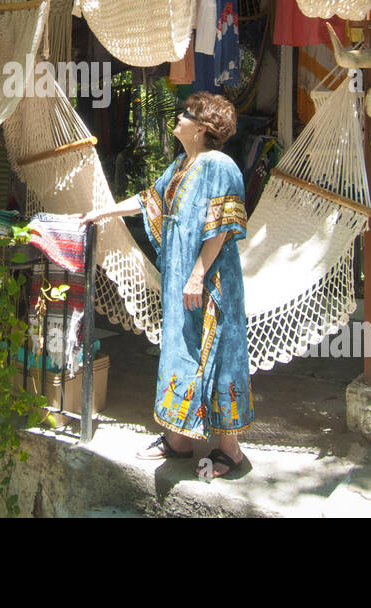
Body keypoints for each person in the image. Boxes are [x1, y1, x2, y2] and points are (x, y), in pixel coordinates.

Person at [79, 91, 253, 479]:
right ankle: (179, 440)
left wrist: (197, 275)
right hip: (180, 282)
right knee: (181, 349)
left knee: (217, 352)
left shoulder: (219, 166)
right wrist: (99, 212)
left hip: (211, 283)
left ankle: (230, 450)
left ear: (202, 129)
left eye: (186, 114)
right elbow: (148, 202)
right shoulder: (180, 166)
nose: (178, 116)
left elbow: (223, 227)